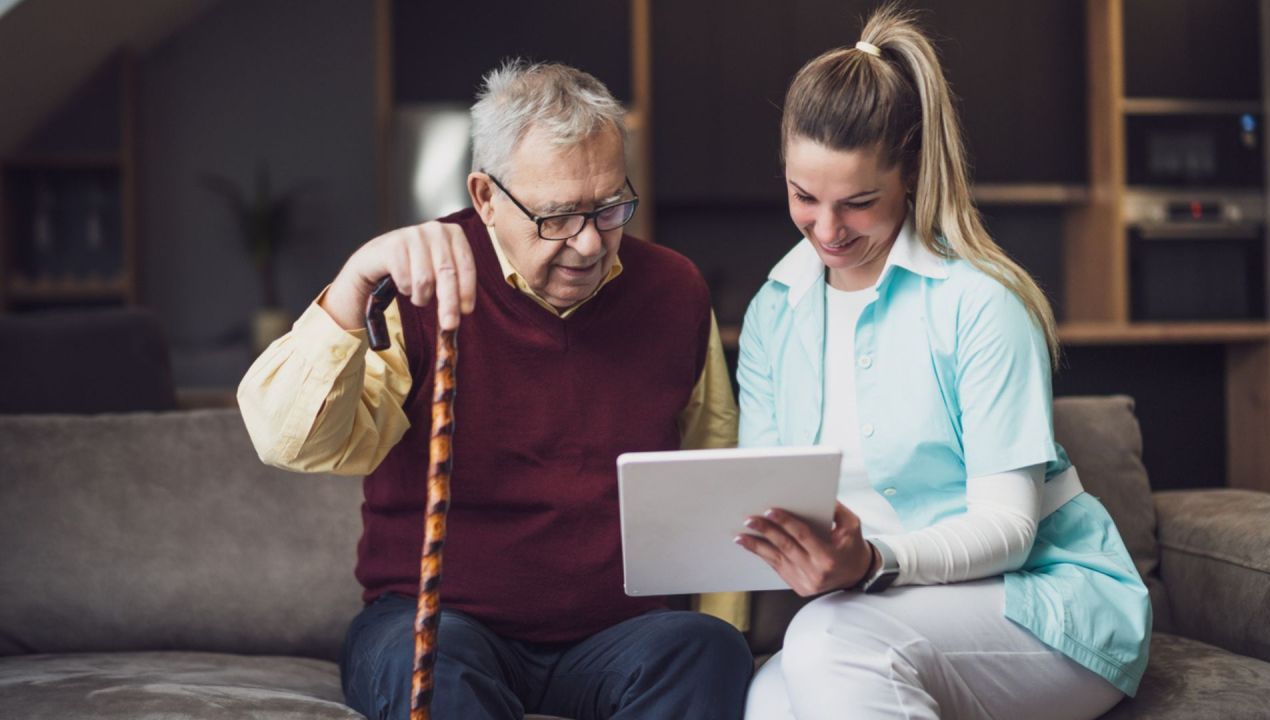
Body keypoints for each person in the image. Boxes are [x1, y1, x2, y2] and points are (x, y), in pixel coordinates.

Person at [237, 60, 752, 720]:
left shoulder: (674, 292)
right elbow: (291, 443)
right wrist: (355, 282)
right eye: (559, 217)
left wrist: (728, 628)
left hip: (616, 639)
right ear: (485, 197)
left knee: (707, 650)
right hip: (438, 625)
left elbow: (714, 468)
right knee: (432, 668)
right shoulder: (415, 289)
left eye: (610, 207)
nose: (590, 244)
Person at [732, 7, 1152, 720]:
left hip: (1047, 603)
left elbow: (1010, 531)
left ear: (912, 173)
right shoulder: (776, 311)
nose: (827, 231)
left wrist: (871, 563)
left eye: (858, 203)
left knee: (830, 639)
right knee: (767, 700)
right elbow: (767, 496)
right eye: (804, 197)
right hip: (881, 615)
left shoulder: (981, 304)